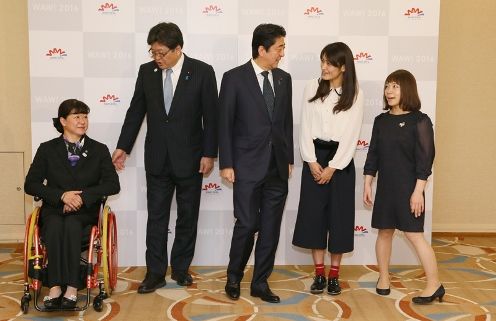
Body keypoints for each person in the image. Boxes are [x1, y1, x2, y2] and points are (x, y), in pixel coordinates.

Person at [112, 22, 218, 294]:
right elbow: (136, 111)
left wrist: (209, 153)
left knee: (187, 217)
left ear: (178, 49)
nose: (156, 58)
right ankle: (155, 273)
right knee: (156, 218)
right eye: (153, 52)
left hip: (192, 159)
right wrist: (123, 146)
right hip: (157, 159)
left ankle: (181, 269)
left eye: (161, 53)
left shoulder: (203, 72)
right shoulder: (146, 72)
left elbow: (212, 118)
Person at [218, 23, 293, 304]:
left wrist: (288, 159)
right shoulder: (234, 78)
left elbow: (286, 123)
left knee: (271, 227)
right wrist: (226, 162)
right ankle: (234, 277)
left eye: (283, 47)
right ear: (262, 49)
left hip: (277, 167)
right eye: (279, 48)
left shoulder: (284, 79)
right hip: (246, 165)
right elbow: (224, 123)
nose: (282, 54)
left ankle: (260, 282)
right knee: (247, 224)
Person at [24, 99, 120, 309]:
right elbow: (31, 184)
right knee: (57, 225)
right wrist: (62, 196)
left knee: (73, 225)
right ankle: (56, 286)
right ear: (63, 121)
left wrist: (82, 198)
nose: (82, 121)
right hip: (55, 209)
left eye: (85, 116)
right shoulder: (47, 149)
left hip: (85, 212)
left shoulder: (99, 149)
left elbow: (113, 185)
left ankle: (72, 288)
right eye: (77, 116)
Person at [363, 69, 443, 304]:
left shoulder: (420, 121)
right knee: (384, 232)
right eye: (387, 85)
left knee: (415, 235)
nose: (389, 90)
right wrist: (368, 182)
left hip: (411, 189)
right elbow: (373, 154)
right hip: (386, 187)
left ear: (407, 89)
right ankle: (384, 278)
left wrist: (418, 191)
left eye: (395, 86)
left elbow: (426, 160)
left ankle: (434, 284)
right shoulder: (381, 120)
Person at [292, 42, 364, 296]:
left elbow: (351, 135)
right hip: (314, 157)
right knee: (314, 219)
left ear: (343, 66)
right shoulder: (312, 87)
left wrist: (333, 167)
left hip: (340, 163)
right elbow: (305, 127)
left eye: (330, 63)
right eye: (322, 61)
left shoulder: (354, 93)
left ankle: (335, 275)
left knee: (339, 219)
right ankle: (319, 274)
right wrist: (311, 162)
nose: (324, 67)